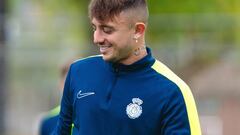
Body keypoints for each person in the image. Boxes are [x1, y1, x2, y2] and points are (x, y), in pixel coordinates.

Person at [53, 0, 202, 134]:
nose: (96, 38)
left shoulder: (172, 91)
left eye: (107, 30)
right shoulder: (78, 72)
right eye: (94, 28)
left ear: (138, 30)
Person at [39, 61, 72, 135]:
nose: (73, 88)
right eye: (68, 83)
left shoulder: (96, 117)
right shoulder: (47, 122)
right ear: (60, 84)